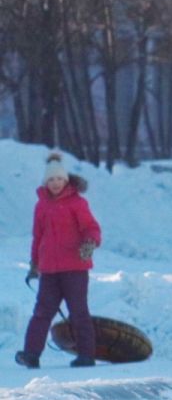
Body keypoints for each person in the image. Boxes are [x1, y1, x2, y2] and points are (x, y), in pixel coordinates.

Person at [17, 152, 102, 369]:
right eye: (51, 180)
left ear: (65, 180)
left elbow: (91, 228)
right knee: (42, 312)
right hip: (49, 270)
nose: (55, 183)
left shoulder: (77, 203)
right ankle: (31, 354)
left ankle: (86, 355)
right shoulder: (41, 206)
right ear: (46, 182)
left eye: (59, 179)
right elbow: (38, 237)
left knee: (78, 312)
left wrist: (90, 243)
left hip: (74, 267)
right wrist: (34, 264)